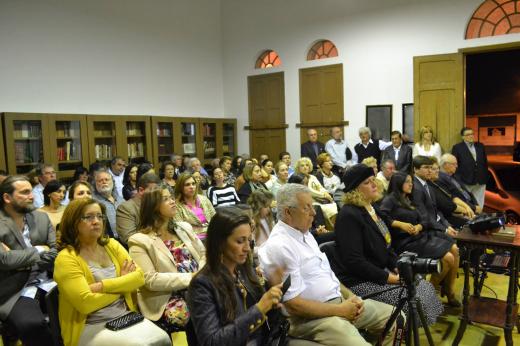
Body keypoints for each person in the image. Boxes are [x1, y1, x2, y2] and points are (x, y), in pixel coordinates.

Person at [259, 183, 398, 345]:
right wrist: (341, 310)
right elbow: (293, 306)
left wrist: (352, 297)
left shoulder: (304, 233)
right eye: (307, 208)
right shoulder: (280, 246)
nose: (313, 213)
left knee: (396, 318)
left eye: (313, 206)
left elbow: (329, 277)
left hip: (337, 304)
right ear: (288, 212)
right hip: (308, 320)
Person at [334, 165, 443, 325]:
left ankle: (406, 333)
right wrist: (390, 278)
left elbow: (386, 246)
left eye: (373, 180)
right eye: (367, 182)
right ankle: (399, 334)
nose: (373, 184)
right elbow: (354, 261)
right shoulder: (349, 215)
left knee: (423, 287)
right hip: (360, 280)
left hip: (380, 269)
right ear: (355, 190)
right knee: (414, 299)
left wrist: (397, 266)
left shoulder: (372, 208)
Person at [54, 198, 170, 346]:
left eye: (99, 216)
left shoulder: (111, 245)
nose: (96, 221)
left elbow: (139, 278)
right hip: (90, 326)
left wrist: (102, 286)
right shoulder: (66, 258)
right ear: (73, 222)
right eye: (88, 217)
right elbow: (85, 303)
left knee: (163, 338)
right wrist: (123, 285)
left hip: (125, 316)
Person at [187, 207, 284, 346]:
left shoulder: (243, 269)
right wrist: (260, 309)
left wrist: (273, 302)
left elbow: (265, 321)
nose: (247, 248)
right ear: (220, 242)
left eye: (249, 241)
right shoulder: (202, 285)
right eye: (240, 241)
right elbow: (211, 342)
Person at [128, 186, 205, 332]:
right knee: (189, 311)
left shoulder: (183, 227)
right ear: (153, 207)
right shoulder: (139, 241)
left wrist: (202, 275)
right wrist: (192, 278)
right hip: (167, 296)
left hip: (199, 285)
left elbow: (203, 254)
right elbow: (150, 280)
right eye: (165, 199)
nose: (172, 201)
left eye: (171, 197)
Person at [380, 172, 461, 307]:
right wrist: (400, 224)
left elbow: (425, 218)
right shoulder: (390, 199)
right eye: (407, 182)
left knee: (455, 249)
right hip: (404, 242)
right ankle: (429, 294)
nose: (411, 184)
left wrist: (419, 226)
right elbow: (382, 217)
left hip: (420, 237)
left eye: (411, 181)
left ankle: (448, 290)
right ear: (398, 183)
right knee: (449, 258)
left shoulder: (410, 199)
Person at [0, 175, 56, 346]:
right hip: (15, 290)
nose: (31, 196)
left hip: (50, 281)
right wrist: (39, 249)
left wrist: (17, 259)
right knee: (33, 325)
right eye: (24, 193)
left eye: (31, 191)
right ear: (7, 197)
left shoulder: (41, 218)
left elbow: (55, 253)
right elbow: (3, 261)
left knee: (78, 312)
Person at [412, 156, 457, 236]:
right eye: (426, 167)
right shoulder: (415, 188)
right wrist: (445, 230)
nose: (430, 171)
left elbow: (436, 210)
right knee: (453, 246)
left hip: (436, 226)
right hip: (425, 229)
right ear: (415, 169)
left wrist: (447, 225)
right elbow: (425, 216)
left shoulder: (428, 185)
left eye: (431, 168)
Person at [116, 173, 162, 245]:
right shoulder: (125, 208)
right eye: (154, 191)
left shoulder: (159, 204)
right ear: (141, 190)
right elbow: (129, 238)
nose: (157, 195)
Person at [428, 160, 475, 228]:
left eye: (438, 168)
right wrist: (465, 211)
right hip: (444, 219)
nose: (438, 170)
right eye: (434, 169)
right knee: (472, 225)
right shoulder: (430, 186)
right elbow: (447, 205)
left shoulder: (437, 182)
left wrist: (467, 207)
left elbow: (452, 197)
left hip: (453, 214)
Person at [451, 127, 488, 207]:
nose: (471, 136)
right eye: (468, 135)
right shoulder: (457, 148)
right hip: (465, 180)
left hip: (480, 179)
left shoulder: (480, 146)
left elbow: (485, 162)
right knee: (467, 200)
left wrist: (485, 175)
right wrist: (458, 179)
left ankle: (479, 216)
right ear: (463, 137)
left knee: (480, 201)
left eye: (472, 134)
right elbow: (454, 164)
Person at [173, 173, 216, 240]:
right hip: (194, 240)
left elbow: (215, 218)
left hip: (212, 235)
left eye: (193, 184)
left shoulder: (204, 199)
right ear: (180, 187)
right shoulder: (176, 205)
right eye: (187, 185)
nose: (192, 187)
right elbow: (182, 230)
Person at [92, 169, 124, 239]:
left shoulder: (121, 200)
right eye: (100, 180)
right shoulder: (94, 203)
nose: (104, 182)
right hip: (107, 241)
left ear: (113, 182)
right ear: (95, 185)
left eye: (107, 179)